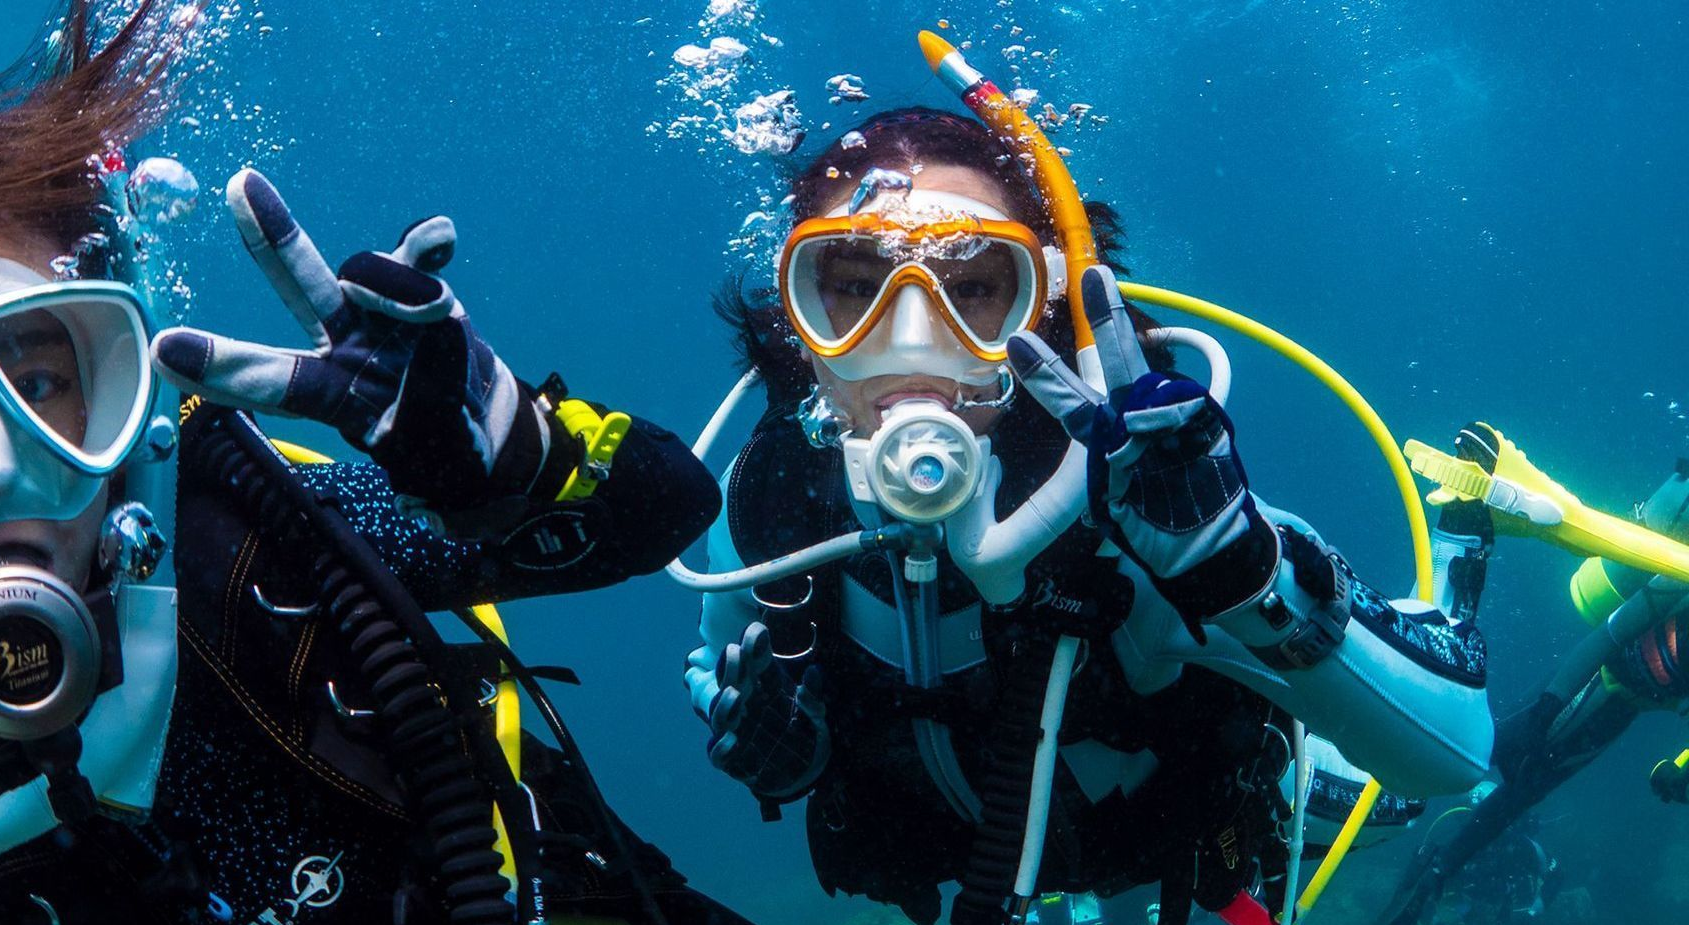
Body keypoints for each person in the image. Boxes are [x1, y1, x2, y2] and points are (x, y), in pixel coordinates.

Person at [0, 3, 748, 923]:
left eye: (37, 381)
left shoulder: (259, 539)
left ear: (120, 395)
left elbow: (668, 506)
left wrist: (518, 465)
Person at [679, 91, 1495, 925]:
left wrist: (1251, 574)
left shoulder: (1129, 494)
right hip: (979, 847)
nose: (913, 343)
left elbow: (1456, 754)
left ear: (1045, 304)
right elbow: (720, 662)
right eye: (856, 286)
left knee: (1383, 809)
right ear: (799, 317)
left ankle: (1452, 592)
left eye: (974, 287)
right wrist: (779, 741)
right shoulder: (771, 504)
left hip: (1181, 824)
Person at [1377, 449, 1689, 924]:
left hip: (1623, 708)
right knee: (1487, 749)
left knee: (1526, 789)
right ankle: (1383, 789)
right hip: (1596, 680)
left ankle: (1434, 876)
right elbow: (1609, 635)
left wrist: (1678, 770)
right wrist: (1547, 706)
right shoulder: (1679, 584)